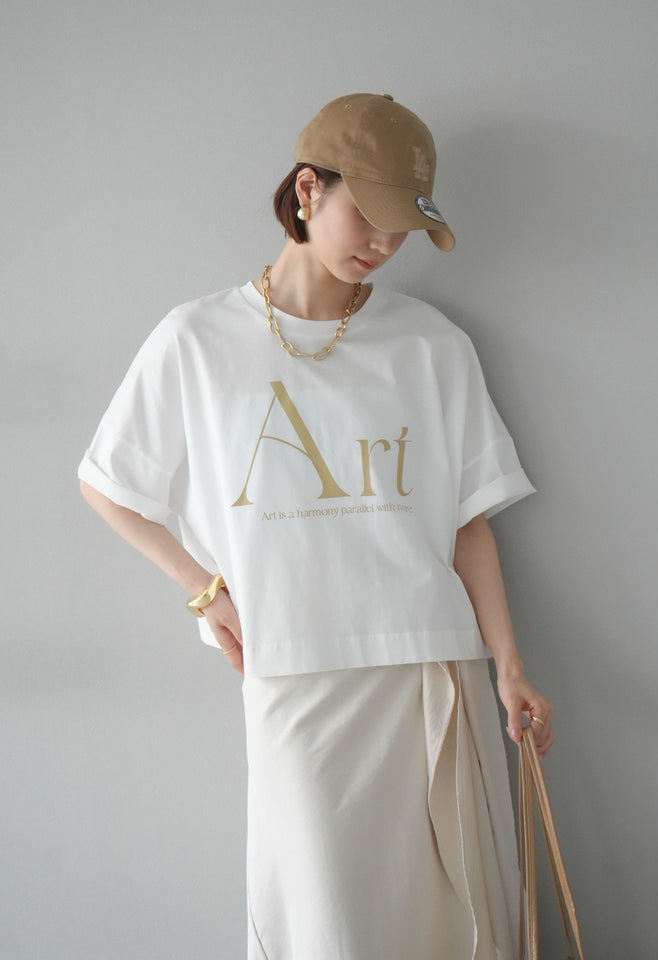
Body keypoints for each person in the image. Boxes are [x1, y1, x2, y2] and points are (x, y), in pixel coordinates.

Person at [79, 92, 553, 960]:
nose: (385, 244)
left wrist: (510, 670)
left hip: (430, 666)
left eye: (404, 227)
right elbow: (107, 485)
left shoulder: (430, 343)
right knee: (325, 922)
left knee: (453, 923)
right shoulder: (196, 339)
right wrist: (204, 590)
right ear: (308, 189)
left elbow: (468, 525)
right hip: (294, 668)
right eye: (369, 215)